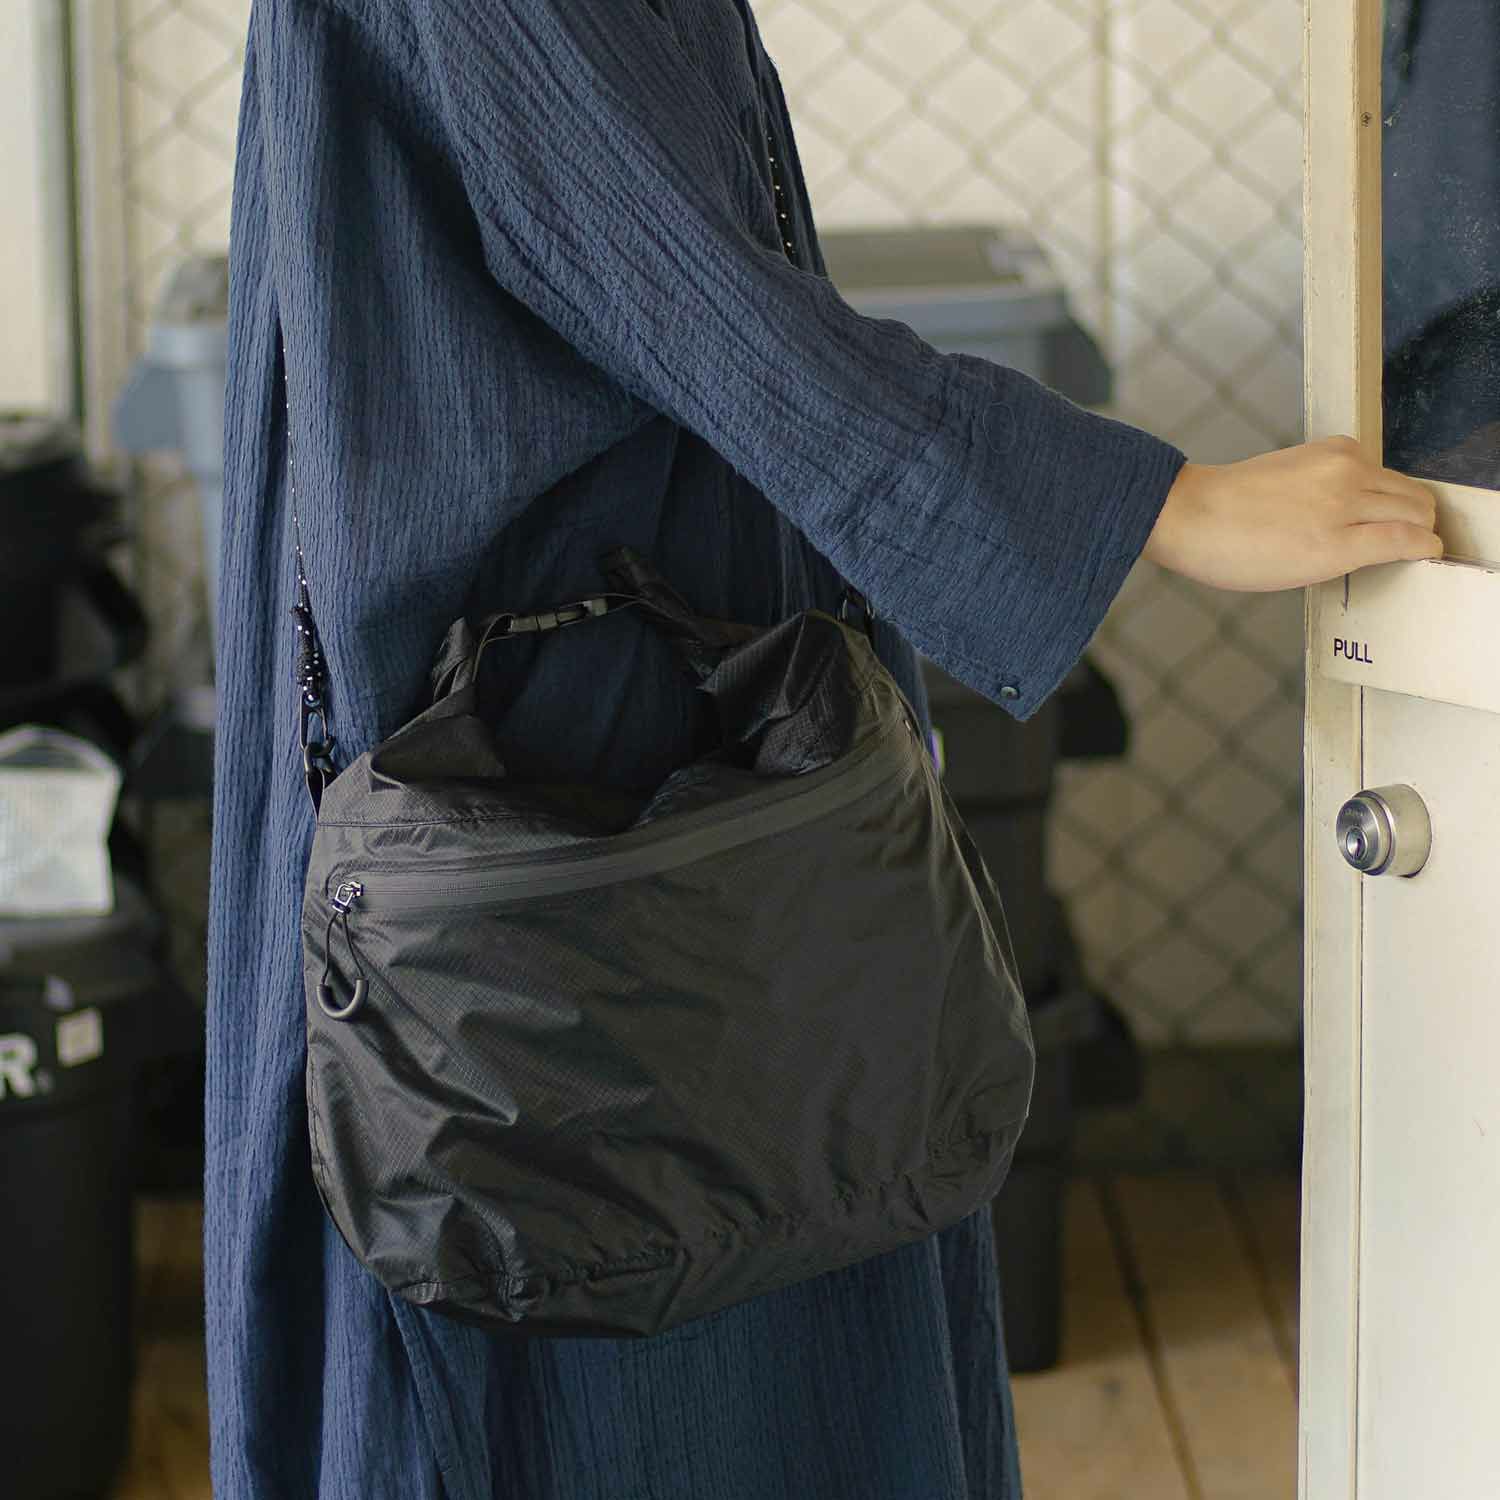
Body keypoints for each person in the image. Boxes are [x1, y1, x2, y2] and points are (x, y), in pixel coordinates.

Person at [207, 2, 1442, 1497]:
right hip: (577, 812)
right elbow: (678, 281)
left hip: (620, 772)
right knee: (656, 1347)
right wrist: (1166, 509)